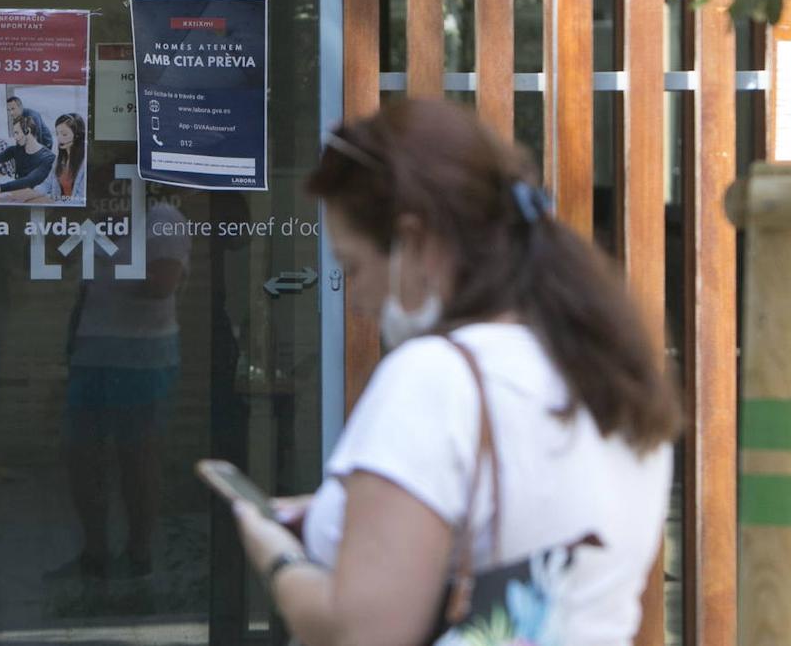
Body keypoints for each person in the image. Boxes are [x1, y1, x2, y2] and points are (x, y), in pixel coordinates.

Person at [231, 99, 680, 645]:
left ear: (415, 240)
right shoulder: (611, 369)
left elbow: (366, 636)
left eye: (353, 267)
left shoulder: (434, 380)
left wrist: (278, 559)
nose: (357, 298)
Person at [45, 163, 190, 581]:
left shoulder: (164, 219)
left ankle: (139, 553)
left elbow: (163, 284)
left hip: (145, 355)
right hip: (92, 352)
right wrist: (69, 210)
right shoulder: (98, 220)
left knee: (137, 458)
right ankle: (95, 552)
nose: (107, 192)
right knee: (82, 456)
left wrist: (107, 271)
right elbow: (52, 254)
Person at [0, 115, 55, 194]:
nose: (15, 137)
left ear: (27, 131)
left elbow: (29, 181)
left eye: (16, 133)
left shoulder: (48, 157)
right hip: (18, 192)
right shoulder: (17, 149)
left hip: (36, 197)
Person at [35, 113, 88, 203]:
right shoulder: (60, 159)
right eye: (57, 134)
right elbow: (47, 184)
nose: (59, 138)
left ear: (77, 136)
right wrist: (33, 193)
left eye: (64, 134)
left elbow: (81, 200)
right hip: (57, 209)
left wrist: (52, 203)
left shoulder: (85, 163)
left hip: (74, 212)